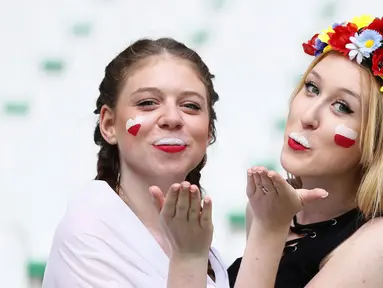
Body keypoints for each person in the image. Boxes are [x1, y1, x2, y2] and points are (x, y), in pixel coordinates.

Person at [42, 37, 230, 288]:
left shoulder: (204, 248)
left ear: (208, 133)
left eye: (190, 106)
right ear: (109, 124)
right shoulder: (87, 234)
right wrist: (187, 260)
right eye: (147, 103)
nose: (172, 118)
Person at [226, 14, 383, 287]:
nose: (308, 115)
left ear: (376, 141)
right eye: (311, 88)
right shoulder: (269, 210)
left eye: (342, 107)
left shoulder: (377, 243)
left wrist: (267, 230)